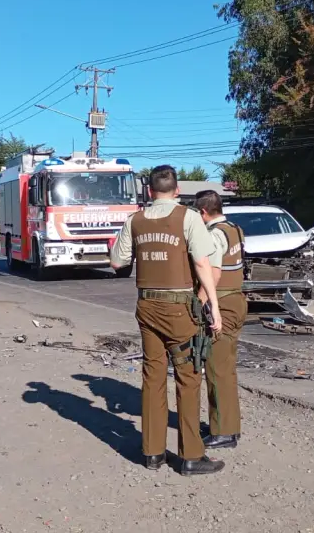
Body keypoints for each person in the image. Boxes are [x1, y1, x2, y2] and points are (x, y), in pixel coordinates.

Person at [110, 165, 225, 476]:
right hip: (179, 309)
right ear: (176, 191)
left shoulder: (135, 220)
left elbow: (117, 261)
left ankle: (152, 452)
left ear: (149, 192)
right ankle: (190, 456)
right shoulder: (187, 217)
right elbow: (202, 262)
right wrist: (213, 306)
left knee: (152, 375)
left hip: (146, 305)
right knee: (188, 377)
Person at [194, 189, 247, 450]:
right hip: (236, 300)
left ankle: (223, 431)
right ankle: (228, 424)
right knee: (227, 368)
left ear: (203, 212)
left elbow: (212, 275)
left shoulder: (214, 235)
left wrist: (199, 302)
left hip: (223, 304)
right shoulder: (234, 228)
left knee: (217, 369)